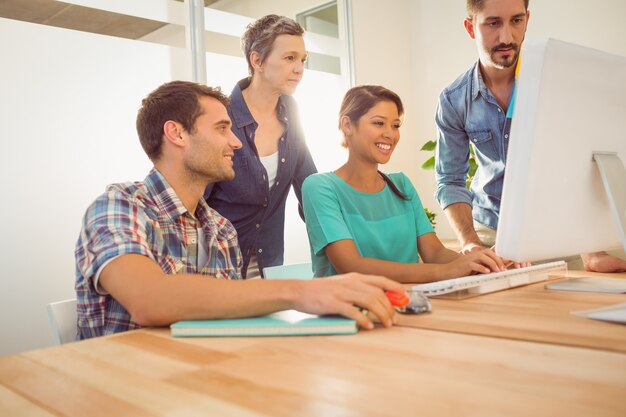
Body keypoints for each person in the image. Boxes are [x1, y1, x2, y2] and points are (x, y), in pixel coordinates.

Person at [74, 81, 404, 340]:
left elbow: (231, 321)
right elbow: (149, 299)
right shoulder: (118, 207)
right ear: (176, 133)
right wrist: (302, 291)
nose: (236, 142)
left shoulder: (221, 230)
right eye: (222, 128)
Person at [434, 0, 626, 272]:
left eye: (516, 21)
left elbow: (580, 163)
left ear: (527, 18)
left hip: (555, 235)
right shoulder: (454, 100)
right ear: (470, 27)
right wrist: (470, 242)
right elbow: (450, 180)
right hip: (490, 234)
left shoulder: (560, 85)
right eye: (493, 23)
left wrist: (590, 251)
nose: (507, 37)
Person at [302, 85, 505, 282]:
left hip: (409, 303)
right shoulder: (320, 188)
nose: (390, 134)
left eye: (395, 125)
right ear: (347, 126)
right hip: (348, 309)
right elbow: (351, 266)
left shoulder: (401, 185)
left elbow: (434, 253)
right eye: (379, 123)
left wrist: (487, 264)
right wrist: (444, 272)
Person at [204, 15, 316, 278]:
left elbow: (311, 189)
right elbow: (195, 200)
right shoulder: (221, 116)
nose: (299, 68)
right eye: (289, 58)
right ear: (257, 61)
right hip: (218, 267)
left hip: (270, 267)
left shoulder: (291, 111)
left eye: (302, 60)